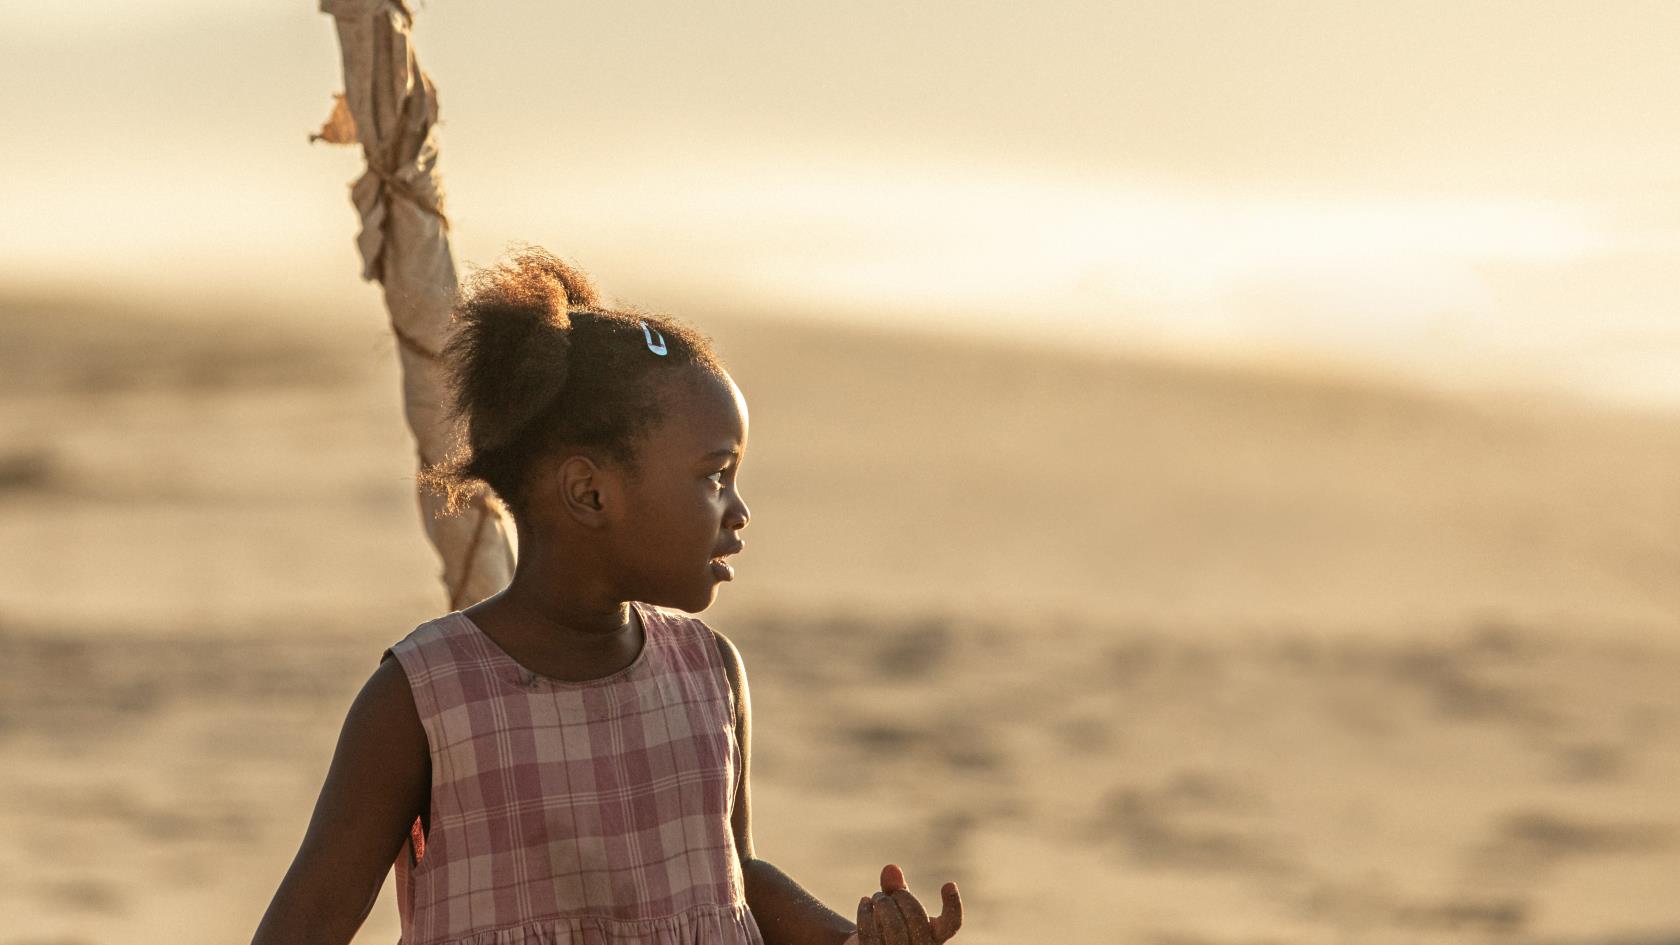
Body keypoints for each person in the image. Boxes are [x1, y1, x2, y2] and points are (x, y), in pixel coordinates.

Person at [250, 248, 963, 945]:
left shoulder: (710, 672)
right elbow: (307, 923)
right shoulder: (423, 697)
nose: (739, 509)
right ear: (590, 492)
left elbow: (731, 875)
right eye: (715, 475)